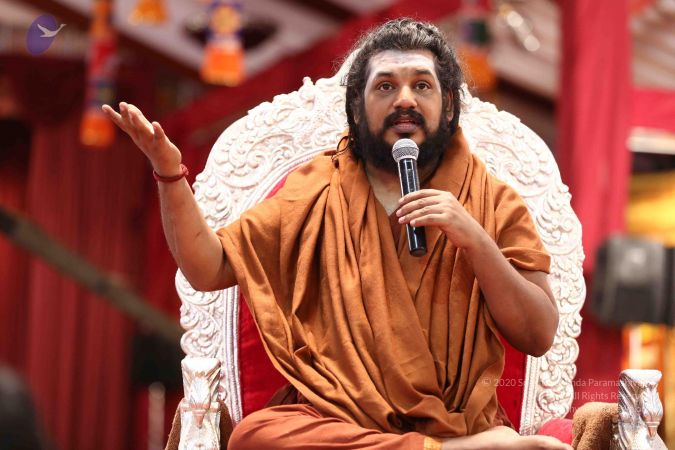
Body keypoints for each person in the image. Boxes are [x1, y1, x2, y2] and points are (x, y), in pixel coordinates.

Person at [103, 18, 571, 450]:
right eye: (385, 86)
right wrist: (169, 174)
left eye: (421, 85)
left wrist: (474, 238)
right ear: (358, 107)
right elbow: (209, 269)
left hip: (457, 417)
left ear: (448, 105)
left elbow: (538, 334)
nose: (404, 99)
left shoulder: (493, 200)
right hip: (340, 420)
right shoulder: (316, 190)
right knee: (257, 436)